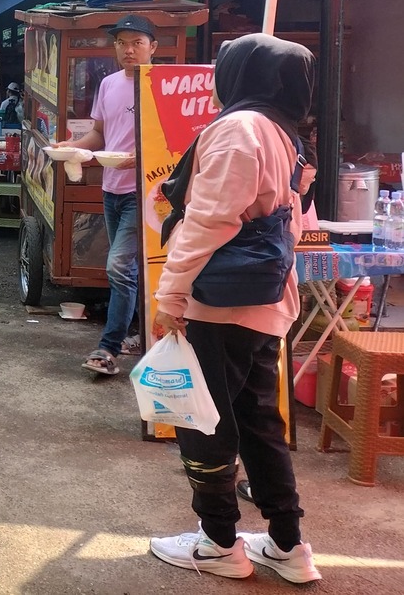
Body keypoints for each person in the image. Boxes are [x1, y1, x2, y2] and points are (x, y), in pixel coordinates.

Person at [148, 33, 320, 585]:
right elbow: (292, 224)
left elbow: (208, 220)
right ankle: (288, 545)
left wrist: (169, 296)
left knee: (202, 420)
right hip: (262, 304)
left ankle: (220, 542)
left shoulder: (238, 129)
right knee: (259, 422)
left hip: (218, 305)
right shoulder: (286, 133)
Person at [53, 13, 156, 376]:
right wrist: (74, 146)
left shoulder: (160, 85)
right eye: (121, 43)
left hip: (146, 193)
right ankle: (140, 336)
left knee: (118, 266)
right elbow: (99, 134)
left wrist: (140, 159)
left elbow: (177, 144)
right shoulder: (109, 84)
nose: (128, 49)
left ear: (152, 48)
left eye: (137, 43)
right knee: (128, 270)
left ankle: (109, 347)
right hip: (111, 188)